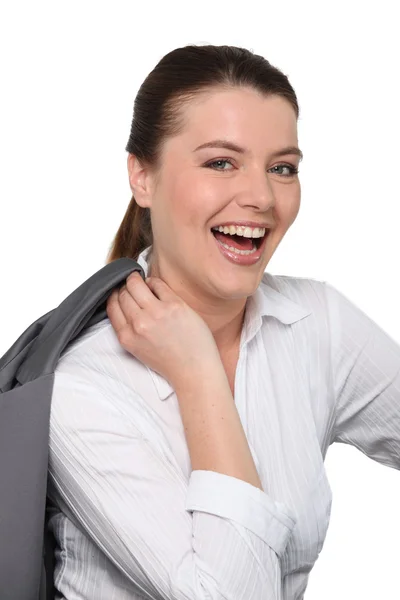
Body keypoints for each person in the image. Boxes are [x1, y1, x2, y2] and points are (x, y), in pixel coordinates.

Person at [48, 44, 400, 599]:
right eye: (220, 163)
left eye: (282, 168)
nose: (261, 196)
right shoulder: (83, 389)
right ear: (142, 176)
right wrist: (199, 375)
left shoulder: (316, 325)